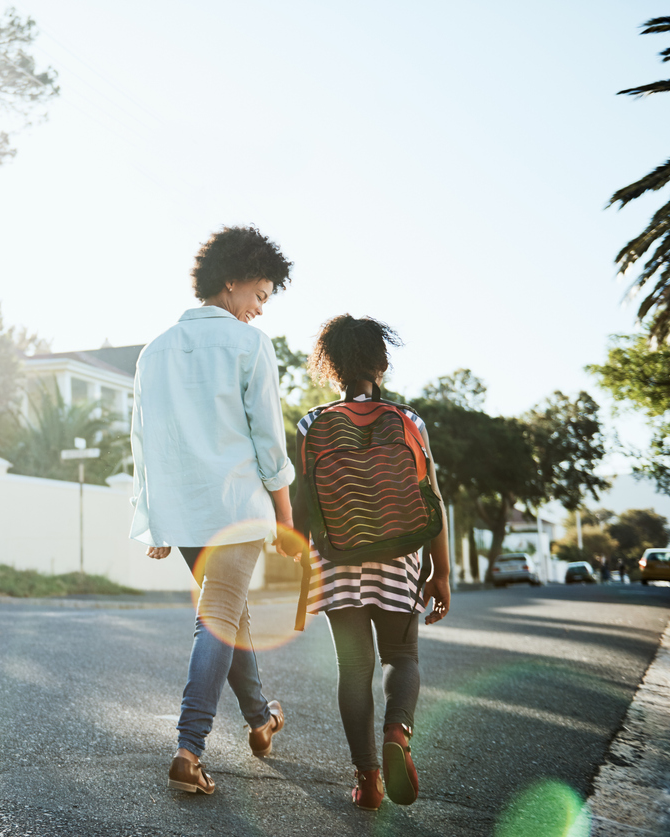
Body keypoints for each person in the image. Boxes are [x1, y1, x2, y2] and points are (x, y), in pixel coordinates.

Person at [128, 225, 298, 795]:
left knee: (229, 615)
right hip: (238, 506)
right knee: (220, 616)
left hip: (187, 514)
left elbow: (145, 441)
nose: (258, 308)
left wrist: (155, 516)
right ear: (231, 281)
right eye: (259, 294)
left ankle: (260, 719)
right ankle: (189, 749)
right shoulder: (250, 346)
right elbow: (269, 444)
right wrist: (285, 519)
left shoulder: (154, 351)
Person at [298, 315, 451, 811]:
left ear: (332, 366)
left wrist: (303, 572)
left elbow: (303, 506)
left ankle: (367, 779)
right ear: (381, 366)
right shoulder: (410, 421)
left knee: (353, 668)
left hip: (337, 562)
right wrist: (441, 572)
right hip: (399, 560)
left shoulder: (311, 424)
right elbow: (434, 500)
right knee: (401, 658)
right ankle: (397, 734)